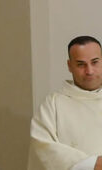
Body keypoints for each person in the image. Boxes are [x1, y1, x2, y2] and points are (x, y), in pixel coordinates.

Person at [28, 35, 102, 170]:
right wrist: (92, 164)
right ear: (70, 66)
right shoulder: (53, 104)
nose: (89, 71)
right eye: (81, 64)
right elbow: (42, 147)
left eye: (95, 62)